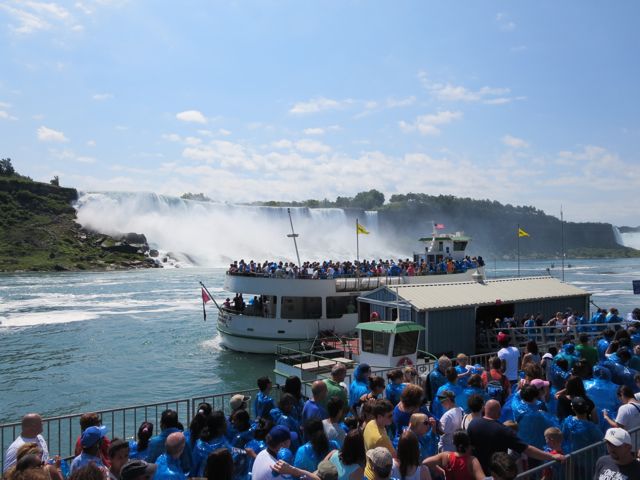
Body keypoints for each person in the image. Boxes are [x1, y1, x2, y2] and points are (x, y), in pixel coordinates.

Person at [466, 400, 564, 476]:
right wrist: (551, 456)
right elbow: (527, 449)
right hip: (497, 474)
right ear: (499, 414)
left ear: (484, 409)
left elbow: (468, 449)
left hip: (477, 473)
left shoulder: (473, 424)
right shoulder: (503, 431)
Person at [147, 410, 191, 474]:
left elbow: (150, 463)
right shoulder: (185, 440)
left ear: (162, 425)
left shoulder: (153, 442)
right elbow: (188, 466)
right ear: (177, 423)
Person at [364, 400, 396, 479]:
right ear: (379, 417)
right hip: (376, 476)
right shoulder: (381, 438)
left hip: (368, 471)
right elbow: (394, 456)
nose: (392, 418)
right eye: (389, 416)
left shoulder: (370, 423)